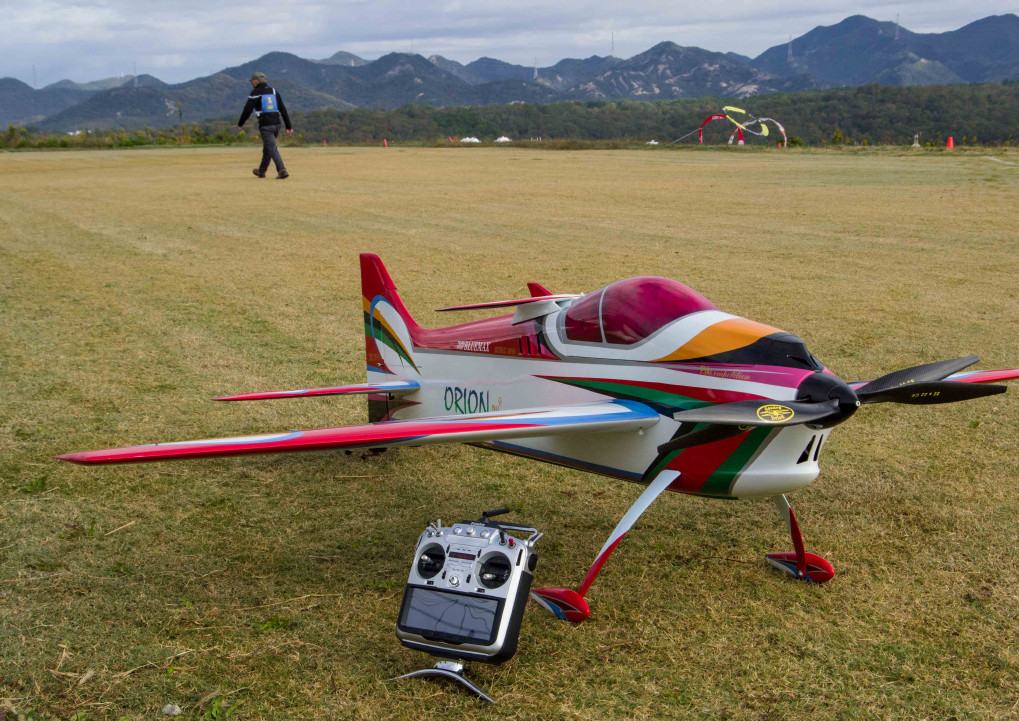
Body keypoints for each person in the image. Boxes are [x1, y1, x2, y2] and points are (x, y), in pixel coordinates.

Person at [237, 72, 293, 179]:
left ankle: (282, 170)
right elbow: (283, 109)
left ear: (256, 82)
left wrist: (240, 123)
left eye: (252, 82)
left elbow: (247, 110)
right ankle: (261, 171)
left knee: (271, 148)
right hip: (277, 124)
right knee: (268, 148)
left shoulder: (255, 93)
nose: (251, 84)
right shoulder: (274, 91)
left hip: (266, 125)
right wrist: (288, 126)